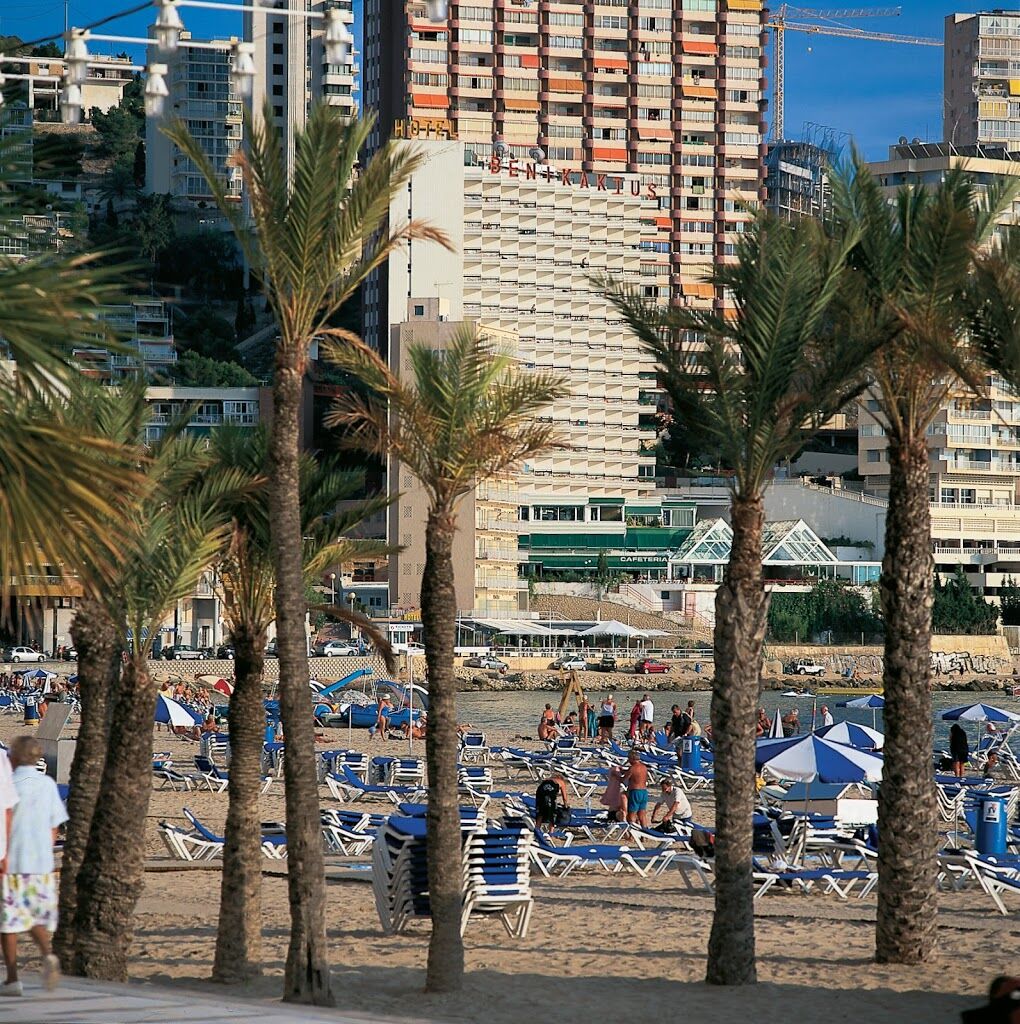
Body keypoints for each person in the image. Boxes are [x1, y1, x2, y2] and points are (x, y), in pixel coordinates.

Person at [1, 735, 67, 996]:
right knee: (31, 914)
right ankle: (48, 954)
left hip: (12, 858)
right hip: (40, 861)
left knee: (9, 921)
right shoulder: (47, 785)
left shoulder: (9, 784)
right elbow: (54, 826)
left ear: (14, 757)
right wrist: (46, 854)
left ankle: (13, 979)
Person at [622, 749, 650, 829]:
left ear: (632, 759)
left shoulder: (632, 768)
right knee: (642, 814)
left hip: (635, 791)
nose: (628, 760)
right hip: (644, 791)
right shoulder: (644, 767)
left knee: (632, 814)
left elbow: (624, 779)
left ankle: (632, 834)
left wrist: (615, 775)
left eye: (629, 758)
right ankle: (644, 832)